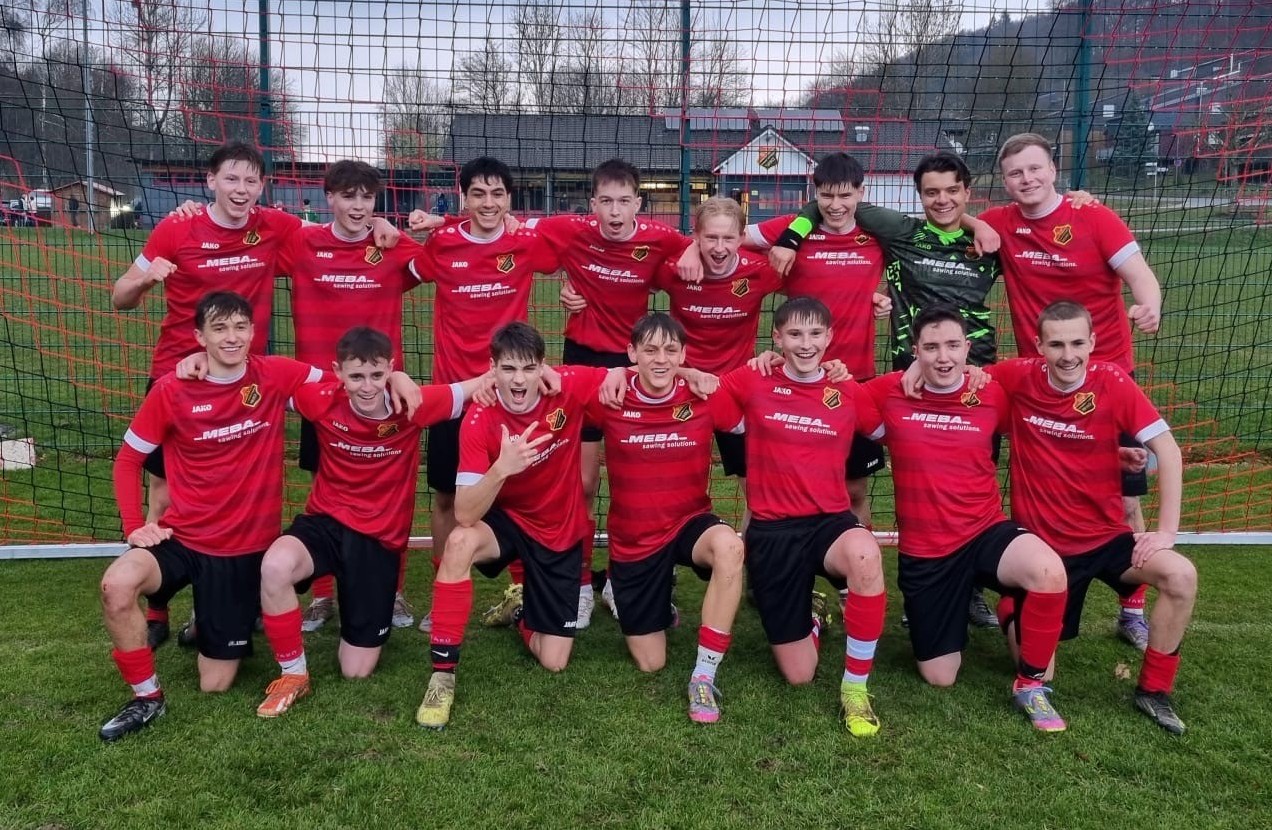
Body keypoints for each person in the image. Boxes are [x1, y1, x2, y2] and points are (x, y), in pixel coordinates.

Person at [98, 292, 325, 741]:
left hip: (240, 552)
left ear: (253, 332)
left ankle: (222, 615)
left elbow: (342, 382)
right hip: (182, 538)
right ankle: (147, 698)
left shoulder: (275, 374)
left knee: (215, 683)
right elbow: (127, 461)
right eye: (219, 329)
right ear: (199, 337)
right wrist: (134, 526)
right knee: (116, 585)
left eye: (240, 327)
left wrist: (396, 378)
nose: (231, 337)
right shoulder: (172, 389)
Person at [110, 142, 303, 651]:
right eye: (231, 179)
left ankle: (228, 600)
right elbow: (119, 296)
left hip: (242, 379)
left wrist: (389, 227)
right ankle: (158, 609)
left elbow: (334, 235)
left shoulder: (273, 225)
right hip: (176, 378)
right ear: (211, 180)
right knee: (166, 497)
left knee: (241, 489)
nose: (241, 190)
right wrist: (146, 280)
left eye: (251, 181)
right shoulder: (177, 228)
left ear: (262, 186)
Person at [979, 133, 1165, 648]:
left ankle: (1131, 607)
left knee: (1122, 498)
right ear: (1005, 181)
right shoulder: (1000, 222)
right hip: (1038, 384)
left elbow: (1141, 275)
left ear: (1054, 169)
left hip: (1107, 382)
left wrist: (1149, 304)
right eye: (1016, 173)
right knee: (1037, 495)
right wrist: (974, 224)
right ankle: (1019, 586)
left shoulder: (1094, 217)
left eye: (1035, 168)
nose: (1027, 179)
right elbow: (953, 221)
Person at [255, 326, 490, 718]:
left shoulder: (412, 404)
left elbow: (478, 385)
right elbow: (262, 373)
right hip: (326, 523)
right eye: (356, 376)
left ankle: (357, 609)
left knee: (356, 670)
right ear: (338, 373)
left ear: (390, 369)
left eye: (377, 375)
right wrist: (200, 361)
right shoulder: (320, 399)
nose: (366, 386)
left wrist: (546, 374)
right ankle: (293, 674)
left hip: (377, 540)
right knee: (275, 565)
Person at [858, 305, 1071, 731]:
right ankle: (1006, 609)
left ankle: (1029, 684)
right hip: (927, 551)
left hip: (984, 530)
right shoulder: (887, 391)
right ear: (915, 350)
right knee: (940, 676)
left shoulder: (991, 390)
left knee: (1049, 574)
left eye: (953, 345)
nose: (944, 357)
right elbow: (829, 392)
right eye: (931, 347)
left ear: (967, 349)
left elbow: (1047, 382)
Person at [992, 300, 1197, 734]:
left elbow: (1169, 450)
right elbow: (960, 377)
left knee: (1181, 575)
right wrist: (916, 372)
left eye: (1077, 343)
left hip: (1106, 538)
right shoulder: (1016, 376)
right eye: (1056, 344)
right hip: (1047, 552)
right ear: (1038, 346)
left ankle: (1153, 691)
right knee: (1038, 670)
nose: (1068, 355)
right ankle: (1012, 607)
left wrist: (1166, 532)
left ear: (1093, 342)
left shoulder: (1112, 381)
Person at [415, 322, 624, 729]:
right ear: (492, 369)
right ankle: (442, 676)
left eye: (528, 368)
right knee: (459, 542)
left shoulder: (566, 386)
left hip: (558, 529)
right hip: (507, 521)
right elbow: (465, 512)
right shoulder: (479, 419)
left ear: (543, 367)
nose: (518, 380)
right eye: (508, 368)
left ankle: (519, 612)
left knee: (554, 660)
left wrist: (618, 373)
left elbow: (625, 373)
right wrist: (501, 469)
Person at [715, 297, 888, 737]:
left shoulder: (846, 389)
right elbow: (707, 393)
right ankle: (811, 619)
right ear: (777, 338)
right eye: (794, 334)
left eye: (815, 334)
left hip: (829, 523)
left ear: (829, 337)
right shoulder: (753, 380)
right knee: (799, 675)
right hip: (773, 530)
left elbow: (890, 422)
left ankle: (855, 689)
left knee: (866, 553)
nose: (805, 344)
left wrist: (932, 373)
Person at [688, 153, 890, 528]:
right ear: (815, 194)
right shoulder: (792, 228)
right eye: (826, 196)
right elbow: (729, 236)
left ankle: (854, 562)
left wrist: (883, 296)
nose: (836, 205)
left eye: (845, 195)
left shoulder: (878, 233)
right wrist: (690, 248)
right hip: (793, 380)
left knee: (854, 490)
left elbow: (909, 260)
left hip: (852, 377)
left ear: (861, 193)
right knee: (770, 488)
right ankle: (769, 559)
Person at [405, 157, 560, 632]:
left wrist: (575, 291)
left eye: (497, 194)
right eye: (478, 193)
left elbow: (572, 251)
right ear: (464, 197)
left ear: (509, 198)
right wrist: (421, 226)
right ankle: (443, 589)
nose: (488, 203)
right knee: (446, 498)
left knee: (517, 493)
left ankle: (520, 588)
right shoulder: (444, 243)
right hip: (456, 393)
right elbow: (405, 271)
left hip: (514, 392)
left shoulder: (525, 241)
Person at [531, 159, 689, 626]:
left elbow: (708, 243)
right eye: (606, 202)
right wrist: (437, 218)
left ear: (638, 203)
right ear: (593, 204)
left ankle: (621, 583)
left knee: (633, 483)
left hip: (637, 365)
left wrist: (695, 254)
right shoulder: (572, 231)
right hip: (583, 362)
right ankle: (580, 584)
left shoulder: (661, 238)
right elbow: (505, 225)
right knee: (581, 484)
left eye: (624, 201)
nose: (615, 212)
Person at [278, 160, 427, 633]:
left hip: (382, 392)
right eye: (348, 196)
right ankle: (323, 594)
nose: (358, 206)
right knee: (324, 491)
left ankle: (392, 590)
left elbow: (438, 259)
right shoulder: (302, 243)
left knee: (393, 495)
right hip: (321, 395)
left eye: (367, 197)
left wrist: (393, 228)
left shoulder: (390, 246)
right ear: (330, 198)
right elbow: (249, 237)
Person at [587, 312, 745, 723]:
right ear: (632, 352)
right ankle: (638, 597)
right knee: (650, 662)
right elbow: (554, 378)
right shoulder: (608, 395)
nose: (661, 359)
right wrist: (614, 373)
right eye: (650, 350)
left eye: (671, 351)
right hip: (635, 540)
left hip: (688, 523)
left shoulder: (705, 394)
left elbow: (758, 404)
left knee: (729, 547)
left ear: (683, 354)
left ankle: (704, 676)